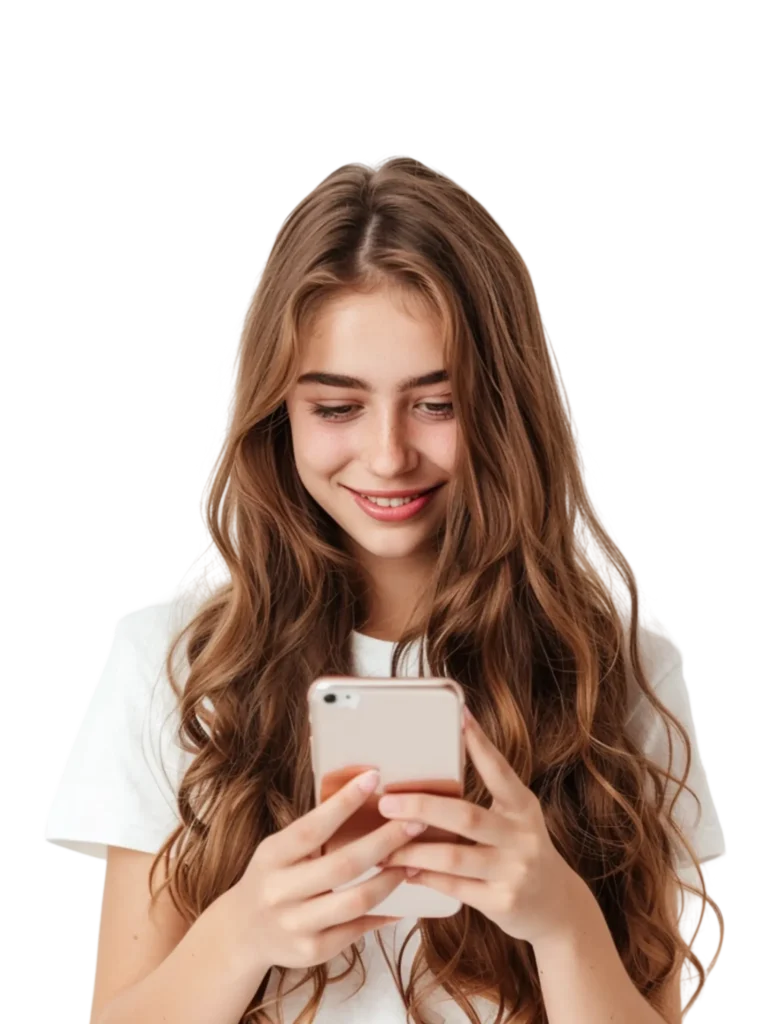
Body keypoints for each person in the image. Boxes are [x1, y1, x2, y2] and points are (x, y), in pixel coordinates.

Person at [42, 154, 727, 1024]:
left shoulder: (612, 660)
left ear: (503, 407)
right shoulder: (176, 663)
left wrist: (562, 924)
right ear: (276, 411)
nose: (389, 455)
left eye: (436, 404)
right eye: (337, 408)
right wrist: (245, 931)